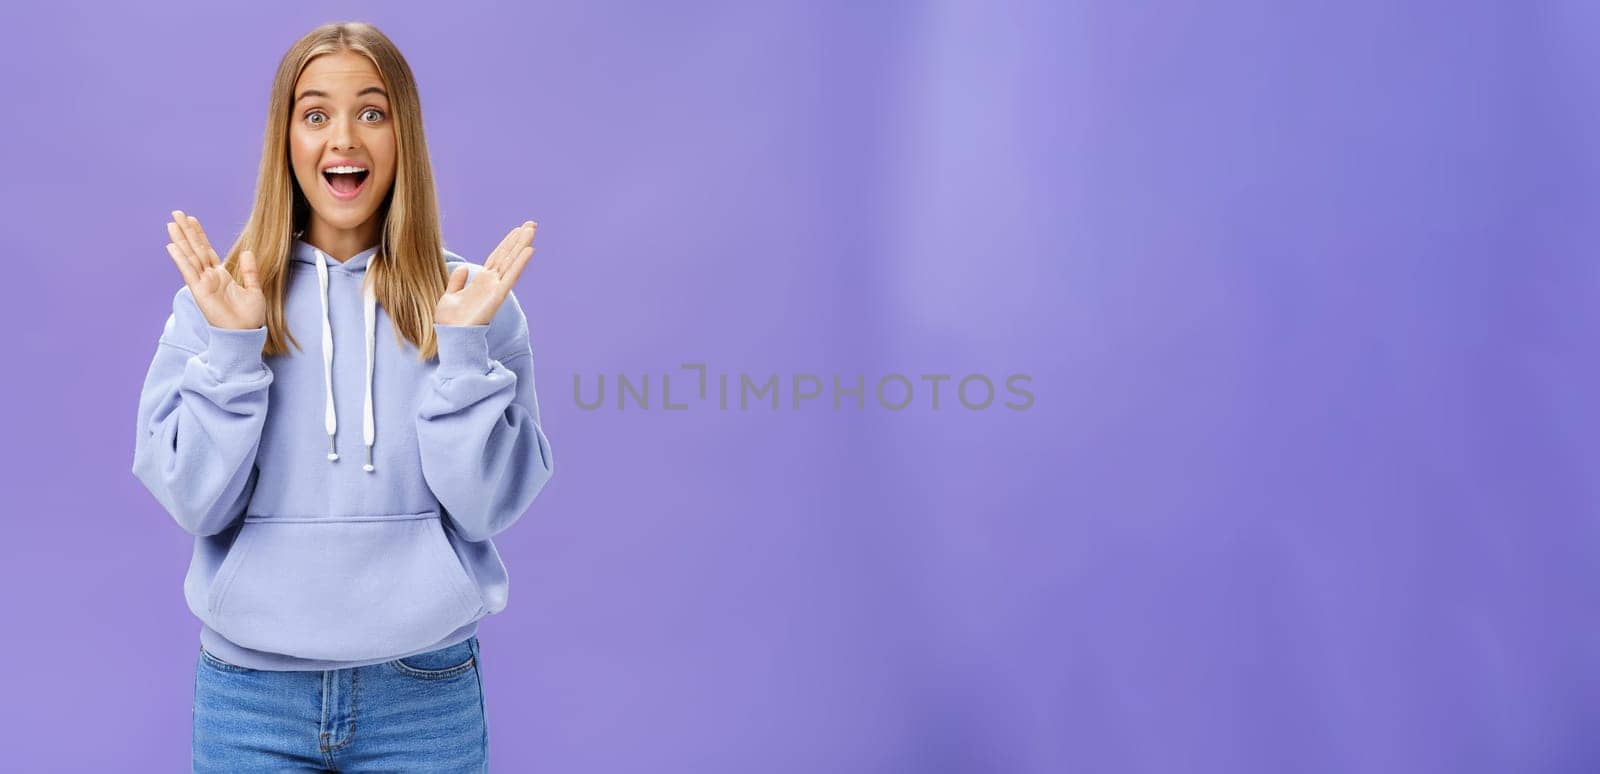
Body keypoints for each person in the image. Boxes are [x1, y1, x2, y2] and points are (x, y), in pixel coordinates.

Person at [130, 21, 554, 772]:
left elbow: (488, 506)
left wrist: (461, 352)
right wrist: (232, 348)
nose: (344, 139)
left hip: (424, 691)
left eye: (372, 110)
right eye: (316, 113)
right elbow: (195, 502)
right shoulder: (216, 301)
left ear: (403, 134)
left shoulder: (472, 304)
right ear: (285, 138)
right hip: (249, 693)